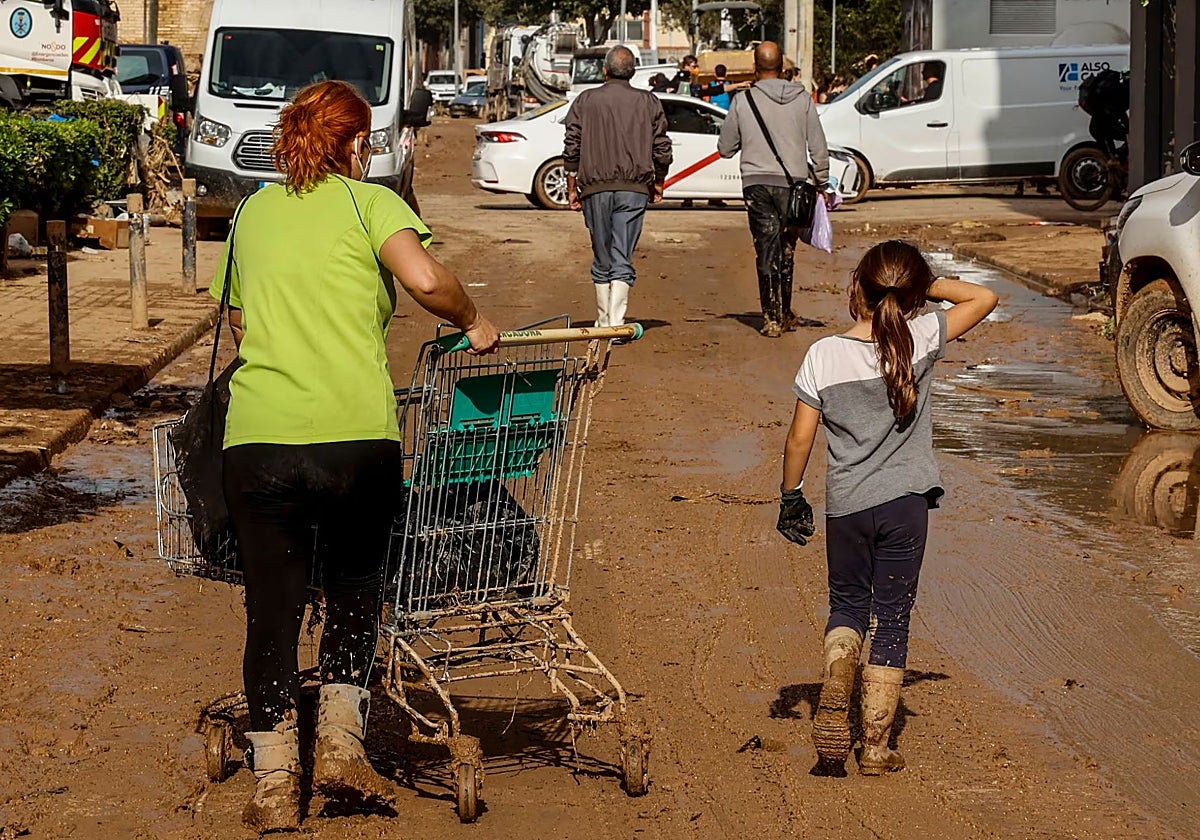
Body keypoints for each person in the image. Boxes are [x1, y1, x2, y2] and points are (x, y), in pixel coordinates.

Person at [210, 80, 499, 832]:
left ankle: (275, 782)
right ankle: (339, 744)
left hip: (259, 442)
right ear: (355, 144)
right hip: (354, 441)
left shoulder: (249, 214)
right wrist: (473, 319)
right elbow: (428, 280)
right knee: (354, 590)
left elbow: (240, 323)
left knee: (269, 613)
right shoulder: (370, 204)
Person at [776, 241, 998, 774]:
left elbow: (799, 440)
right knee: (893, 618)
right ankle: (875, 746)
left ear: (858, 289)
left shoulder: (823, 355)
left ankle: (837, 673)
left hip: (846, 506)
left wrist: (791, 497)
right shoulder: (923, 336)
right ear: (913, 295)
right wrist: (923, 285)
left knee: (848, 604)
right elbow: (985, 296)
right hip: (905, 506)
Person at [717, 41, 831, 337]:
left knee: (766, 248)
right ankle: (785, 311)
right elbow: (818, 144)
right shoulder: (803, 99)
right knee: (787, 248)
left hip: (756, 185)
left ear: (755, 68)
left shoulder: (743, 101)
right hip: (794, 185)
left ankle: (771, 318)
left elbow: (725, 148)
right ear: (783, 69)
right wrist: (822, 180)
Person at [563, 46, 672, 328]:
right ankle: (615, 322)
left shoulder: (585, 100)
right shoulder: (648, 102)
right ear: (633, 72)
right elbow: (661, 146)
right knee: (622, 252)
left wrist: (571, 185)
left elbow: (572, 146)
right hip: (634, 188)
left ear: (605, 71)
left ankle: (603, 321)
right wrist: (659, 180)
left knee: (602, 252)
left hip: (594, 188)